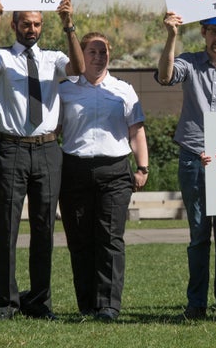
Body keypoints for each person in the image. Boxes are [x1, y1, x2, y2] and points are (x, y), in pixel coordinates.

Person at [0, 0, 85, 320]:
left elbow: (79, 70)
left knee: (44, 229)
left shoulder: (53, 58)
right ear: (14, 24)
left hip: (47, 149)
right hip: (11, 148)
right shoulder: (4, 58)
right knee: (6, 228)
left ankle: (39, 301)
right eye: (26, 23)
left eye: (37, 23)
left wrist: (69, 25)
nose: (32, 29)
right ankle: (5, 303)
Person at [156, 12, 216, 322]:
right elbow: (164, 76)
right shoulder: (189, 61)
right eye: (214, 31)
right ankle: (196, 304)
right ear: (203, 32)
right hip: (193, 157)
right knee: (199, 236)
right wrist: (172, 35)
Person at [58, 32, 149, 322]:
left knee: (110, 239)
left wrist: (142, 167)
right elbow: (53, 129)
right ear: (80, 54)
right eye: (92, 52)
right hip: (73, 170)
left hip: (115, 172)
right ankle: (86, 304)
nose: (98, 57)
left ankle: (109, 305)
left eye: (104, 52)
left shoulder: (124, 90)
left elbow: (136, 130)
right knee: (80, 239)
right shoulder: (65, 90)